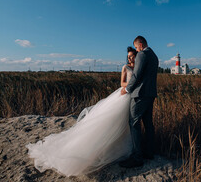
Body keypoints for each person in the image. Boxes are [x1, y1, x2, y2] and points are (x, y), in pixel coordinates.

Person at [26, 47, 138, 176]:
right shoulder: (126, 67)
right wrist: (130, 85)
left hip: (133, 96)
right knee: (115, 119)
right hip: (124, 94)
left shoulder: (138, 67)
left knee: (126, 121)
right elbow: (122, 82)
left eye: (132, 56)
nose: (130, 58)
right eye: (129, 56)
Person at [120, 35, 159, 168]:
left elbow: (137, 74)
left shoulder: (142, 54)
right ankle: (149, 152)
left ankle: (137, 157)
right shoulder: (154, 56)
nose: (137, 50)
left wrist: (127, 89)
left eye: (137, 47)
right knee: (148, 124)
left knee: (134, 122)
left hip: (140, 94)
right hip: (151, 94)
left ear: (140, 45)